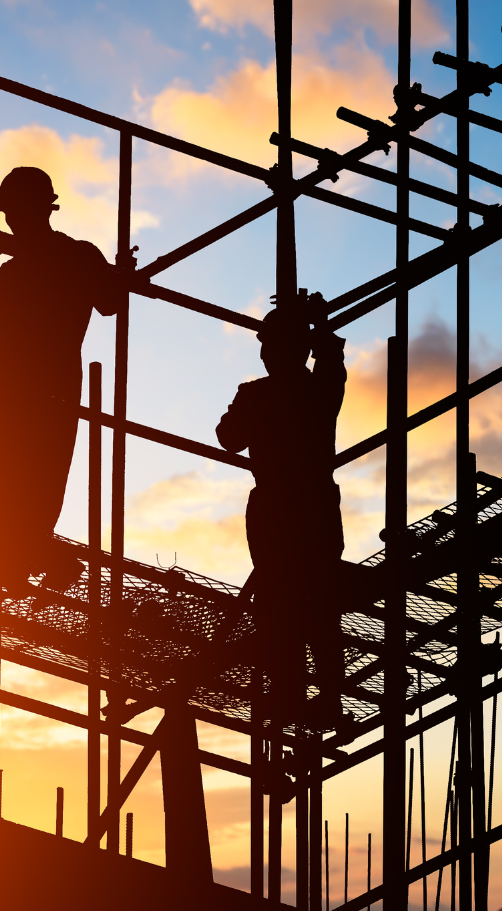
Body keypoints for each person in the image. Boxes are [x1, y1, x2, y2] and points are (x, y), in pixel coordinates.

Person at [0, 167, 127, 585]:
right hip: (49, 394)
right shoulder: (76, 257)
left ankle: (9, 559)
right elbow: (110, 301)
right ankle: (13, 556)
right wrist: (119, 273)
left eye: (14, 212)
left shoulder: (22, 271)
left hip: (25, 394)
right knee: (27, 483)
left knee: (17, 484)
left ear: (34, 211)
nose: (13, 221)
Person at [215, 290, 346, 727]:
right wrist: (320, 323)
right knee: (317, 606)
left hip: (278, 508)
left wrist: (316, 325)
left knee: (283, 605)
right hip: (314, 507)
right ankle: (323, 698)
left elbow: (228, 436)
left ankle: (293, 694)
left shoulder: (256, 396)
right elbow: (331, 361)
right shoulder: (318, 389)